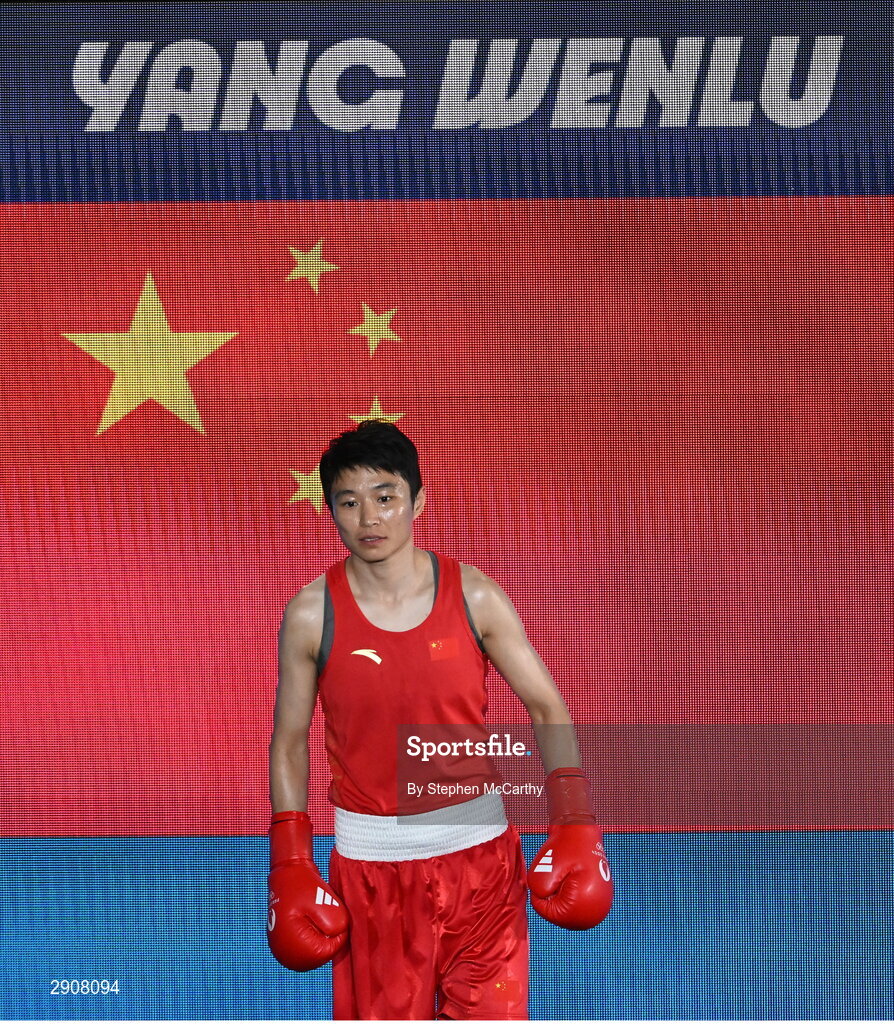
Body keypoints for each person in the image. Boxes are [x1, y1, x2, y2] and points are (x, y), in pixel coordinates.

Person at [267, 420, 612, 1020]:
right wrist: (290, 862)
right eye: (349, 502)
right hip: (374, 877)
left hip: (483, 870)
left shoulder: (475, 595)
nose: (369, 518)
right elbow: (290, 742)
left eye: (385, 497)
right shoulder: (308, 615)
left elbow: (546, 706)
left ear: (416, 501)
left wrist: (575, 822)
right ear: (330, 512)